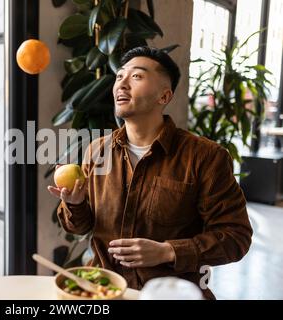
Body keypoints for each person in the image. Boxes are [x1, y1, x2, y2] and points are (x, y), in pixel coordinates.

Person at [48, 47, 252, 299]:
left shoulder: (205, 157)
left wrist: (168, 251)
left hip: (170, 294)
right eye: (119, 76)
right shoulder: (97, 150)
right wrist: (75, 204)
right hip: (105, 292)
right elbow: (80, 227)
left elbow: (236, 237)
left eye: (136, 76)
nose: (121, 83)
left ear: (164, 96)